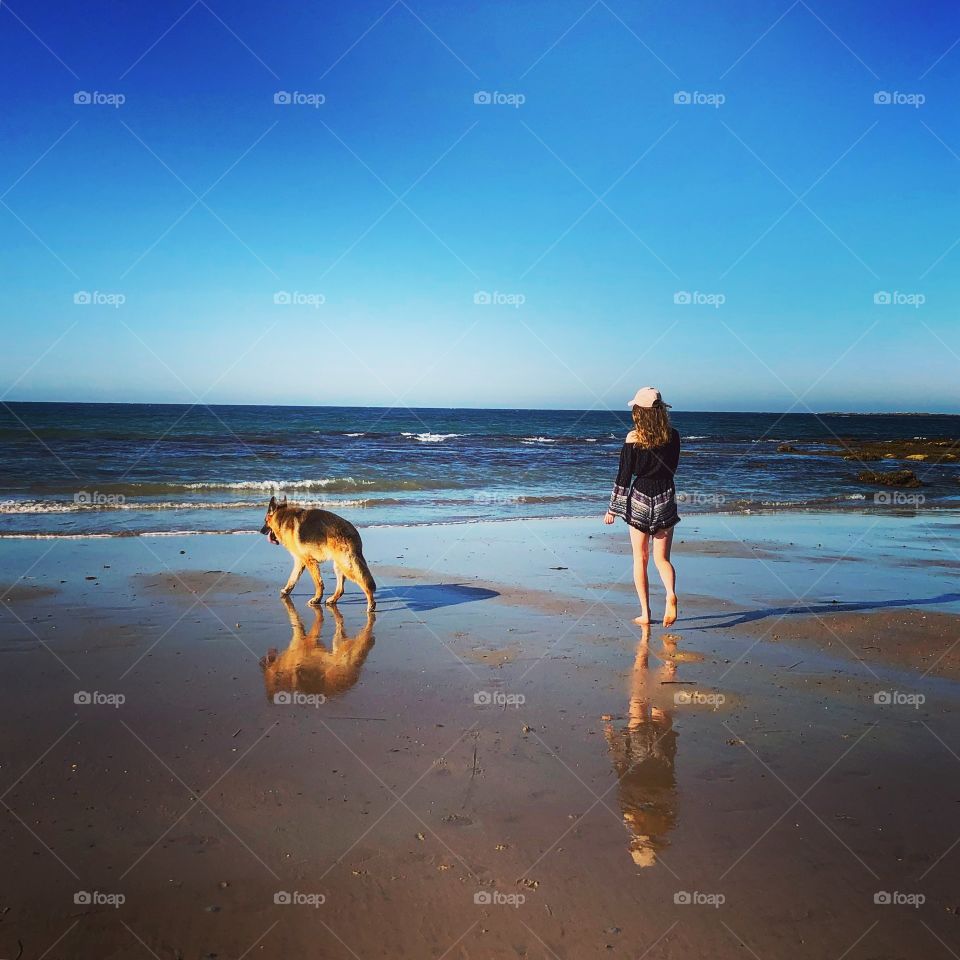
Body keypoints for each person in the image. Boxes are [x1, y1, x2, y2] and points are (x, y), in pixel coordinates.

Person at [604, 387, 680, 626]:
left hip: (639, 496)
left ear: (639, 412)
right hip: (666, 494)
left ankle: (646, 614)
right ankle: (670, 593)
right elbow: (673, 468)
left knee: (640, 558)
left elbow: (624, 476)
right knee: (662, 559)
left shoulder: (633, 438)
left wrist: (613, 509)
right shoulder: (673, 436)